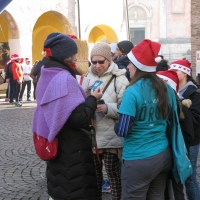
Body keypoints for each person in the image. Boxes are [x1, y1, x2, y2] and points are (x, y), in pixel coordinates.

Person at [32, 32, 103, 200]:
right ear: (66, 55)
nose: (76, 57)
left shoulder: (46, 73)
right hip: (72, 151)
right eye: (74, 53)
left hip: (56, 146)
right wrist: (93, 98)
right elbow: (79, 118)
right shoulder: (64, 78)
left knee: (60, 189)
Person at [114, 39, 179, 200]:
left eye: (130, 63)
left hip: (138, 159)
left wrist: (115, 122)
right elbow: (172, 118)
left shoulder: (133, 91)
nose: (128, 67)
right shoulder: (166, 88)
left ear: (137, 66)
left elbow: (123, 130)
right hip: (163, 154)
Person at [86, 42, 129, 200]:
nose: (97, 65)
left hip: (112, 139)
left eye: (101, 61)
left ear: (109, 60)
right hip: (93, 139)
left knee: (114, 178)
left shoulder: (120, 78)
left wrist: (107, 109)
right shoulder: (88, 77)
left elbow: (127, 110)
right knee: (94, 179)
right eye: (94, 62)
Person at [157, 70, 195, 200]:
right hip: (168, 154)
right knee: (169, 189)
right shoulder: (159, 106)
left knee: (174, 188)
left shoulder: (181, 108)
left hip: (174, 154)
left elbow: (189, 135)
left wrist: (177, 141)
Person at [169, 58, 200, 200]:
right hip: (175, 139)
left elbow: (196, 119)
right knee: (175, 176)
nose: (173, 73)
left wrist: (182, 108)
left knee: (189, 176)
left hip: (191, 141)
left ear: (185, 73)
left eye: (176, 70)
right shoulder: (170, 90)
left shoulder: (194, 93)